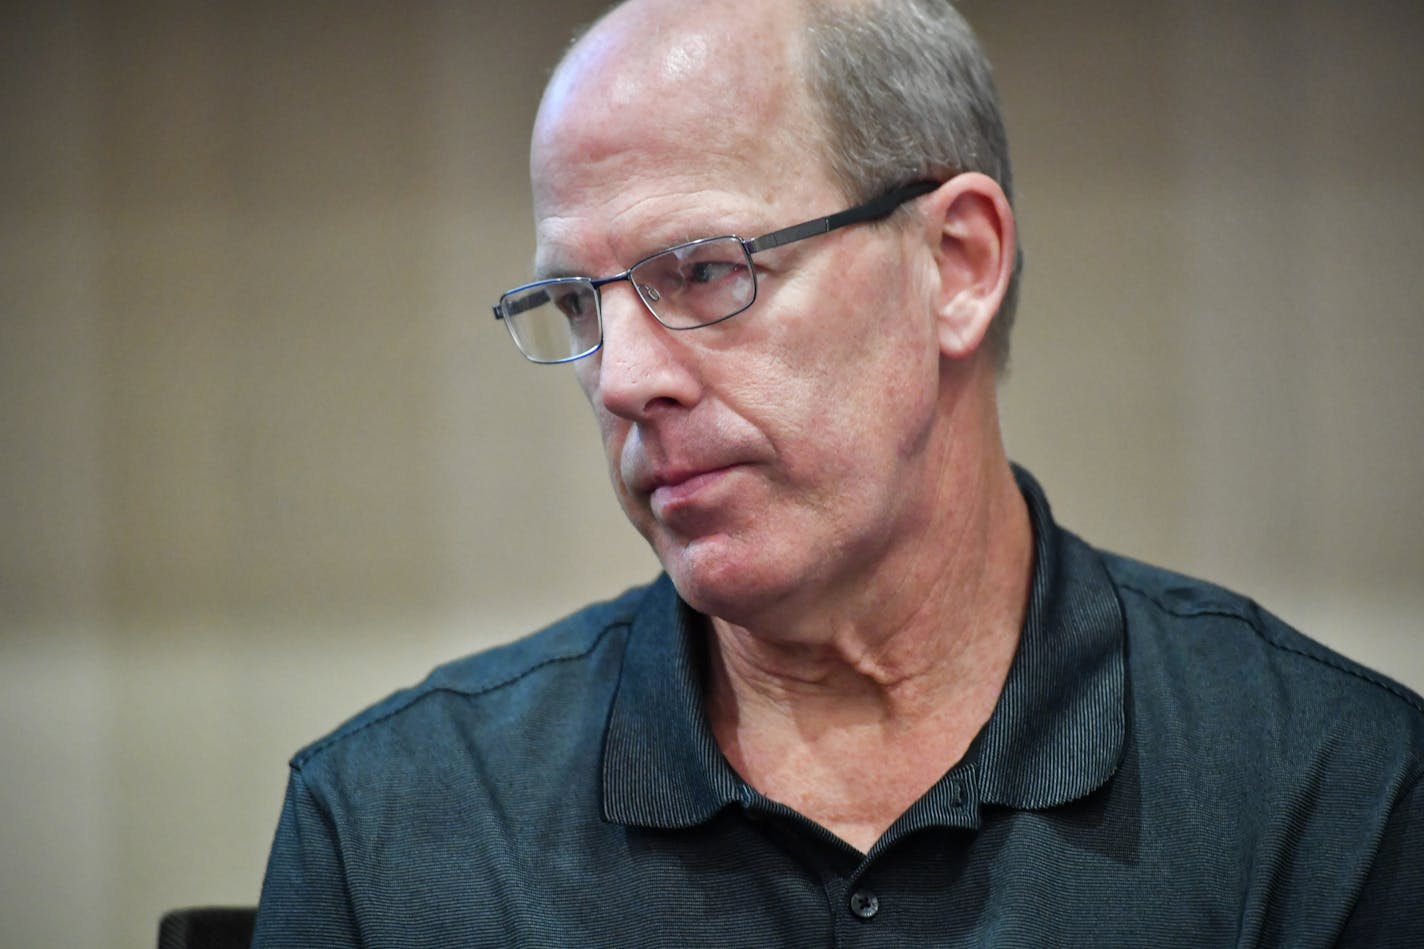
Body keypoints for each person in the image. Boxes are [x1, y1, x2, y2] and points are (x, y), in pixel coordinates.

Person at [252, 0, 1423, 945]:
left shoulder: (1328, 793)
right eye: (575, 301)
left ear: (955, 265)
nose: (622, 381)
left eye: (701, 270)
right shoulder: (398, 823)